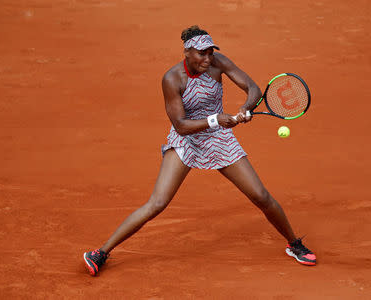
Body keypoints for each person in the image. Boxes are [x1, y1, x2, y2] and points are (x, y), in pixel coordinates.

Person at [83, 25, 316, 276]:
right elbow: (181, 126)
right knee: (157, 203)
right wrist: (216, 119)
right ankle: (101, 252)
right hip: (187, 140)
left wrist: (246, 108)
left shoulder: (218, 63)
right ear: (187, 53)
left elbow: (253, 89)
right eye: (201, 54)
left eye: (210, 53)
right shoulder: (172, 79)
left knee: (261, 196)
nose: (207, 58)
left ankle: (294, 244)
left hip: (219, 138)